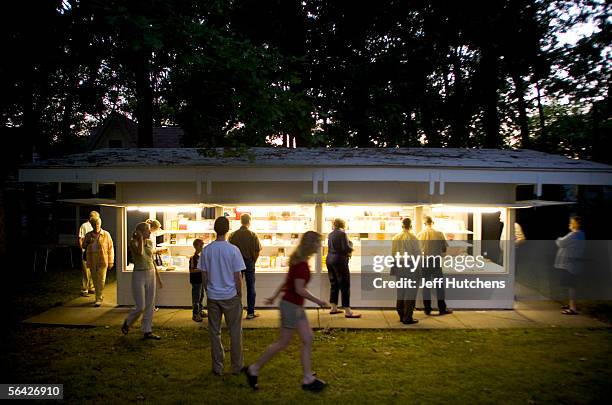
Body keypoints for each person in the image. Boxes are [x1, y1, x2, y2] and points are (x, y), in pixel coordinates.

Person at [243, 231, 328, 392]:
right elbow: (298, 289)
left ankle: (308, 378)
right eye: (318, 242)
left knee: (308, 338)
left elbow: (287, 282)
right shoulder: (301, 264)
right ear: (311, 244)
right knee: (283, 342)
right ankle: (254, 368)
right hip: (291, 306)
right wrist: (319, 301)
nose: (320, 245)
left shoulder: (298, 260)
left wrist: (274, 297)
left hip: (293, 306)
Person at [198, 216, 245, 376]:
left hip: (213, 296)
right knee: (235, 332)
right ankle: (236, 366)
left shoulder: (207, 250)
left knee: (214, 332)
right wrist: (239, 294)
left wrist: (208, 290)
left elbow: (204, 275)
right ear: (228, 229)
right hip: (230, 295)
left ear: (214, 229)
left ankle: (217, 366)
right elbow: (237, 276)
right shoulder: (233, 250)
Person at [122, 222, 163, 339]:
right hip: (139, 274)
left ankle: (147, 330)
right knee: (141, 305)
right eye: (147, 230)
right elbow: (139, 253)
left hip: (150, 273)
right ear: (140, 232)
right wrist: (139, 238)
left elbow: (151, 259)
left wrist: (158, 277)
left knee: (150, 304)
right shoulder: (133, 242)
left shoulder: (150, 242)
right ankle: (128, 322)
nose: (150, 232)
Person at [229, 213, 262, 319]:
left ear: (241, 221)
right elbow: (257, 251)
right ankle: (250, 313)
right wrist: (253, 261)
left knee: (235, 287)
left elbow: (230, 250)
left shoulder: (233, 235)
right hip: (249, 263)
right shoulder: (252, 235)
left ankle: (235, 312)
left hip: (236, 263)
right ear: (249, 221)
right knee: (251, 288)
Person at [417, 216, 453, 315]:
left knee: (426, 286)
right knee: (439, 286)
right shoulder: (439, 233)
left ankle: (427, 309)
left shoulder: (420, 234)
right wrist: (441, 254)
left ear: (424, 223)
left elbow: (417, 249)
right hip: (436, 261)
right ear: (433, 222)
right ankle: (442, 308)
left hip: (424, 261)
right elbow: (444, 248)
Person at [326, 218, 360, 318]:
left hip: (330, 259)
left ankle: (333, 307)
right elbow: (346, 248)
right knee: (345, 284)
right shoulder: (342, 234)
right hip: (339, 260)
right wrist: (352, 247)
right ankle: (348, 311)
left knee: (334, 283)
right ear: (343, 224)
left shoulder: (330, 234)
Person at [391, 218, 421, 324]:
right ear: (411, 225)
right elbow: (417, 254)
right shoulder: (414, 238)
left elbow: (393, 253)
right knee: (410, 292)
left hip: (399, 265)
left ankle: (401, 314)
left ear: (402, 225)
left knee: (401, 291)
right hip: (410, 265)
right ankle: (408, 317)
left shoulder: (395, 237)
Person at [555, 215, 586, 315]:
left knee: (571, 286)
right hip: (574, 263)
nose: (570, 224)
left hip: (569, 265)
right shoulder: (581, 234)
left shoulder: (574, 234)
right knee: (571, 285)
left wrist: (559, 238)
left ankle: (573, 308)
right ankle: (571, 304)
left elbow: (560, 242)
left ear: (576, 224)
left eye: (571, 222)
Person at [82, 216, 114, 307]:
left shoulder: (106, 234)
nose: (96, 226)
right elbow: (83, 246)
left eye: (98, 224)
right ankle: (98, 296)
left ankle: (98, 297)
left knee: (101, 279)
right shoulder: (88, 235)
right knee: (95, 279)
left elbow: (110, 248)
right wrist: (88, 242)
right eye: (94, 224)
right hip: (92, 258)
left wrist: (111, 261)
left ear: (100, 224)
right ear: (91, 225)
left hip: (103, 259)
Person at [77, 211, 99, 297]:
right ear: (91, 218)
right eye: (95, 218)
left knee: (93, 270)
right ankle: (84, 289)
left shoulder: (96, 225)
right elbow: (80, 238)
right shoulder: (84, 226)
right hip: (86, 252)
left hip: (94, 252)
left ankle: (91, 287)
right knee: (86, 271)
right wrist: (83, 248)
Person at [146, 219, 163, 312]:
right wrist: (159, 250)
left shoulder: (151, 235)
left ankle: (150, 306)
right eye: (156, 229)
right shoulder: (148, 237)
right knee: (150, 288)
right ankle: (150, 307)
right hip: (150, 263)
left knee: (150, 288)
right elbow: (150, 251)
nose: (157, 231)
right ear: (153, 228)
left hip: (151, 261)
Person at [189, 238, 206, 322]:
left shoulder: (201, 257)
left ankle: (200, 311)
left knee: (201, 296)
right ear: (196, 246)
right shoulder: (193, 258)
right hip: (196, 281)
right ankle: (195, 314)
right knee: (196, 297)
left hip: (201, 280)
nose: (202, 247)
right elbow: (191, 270)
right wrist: (201, 269)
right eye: (201, 245)